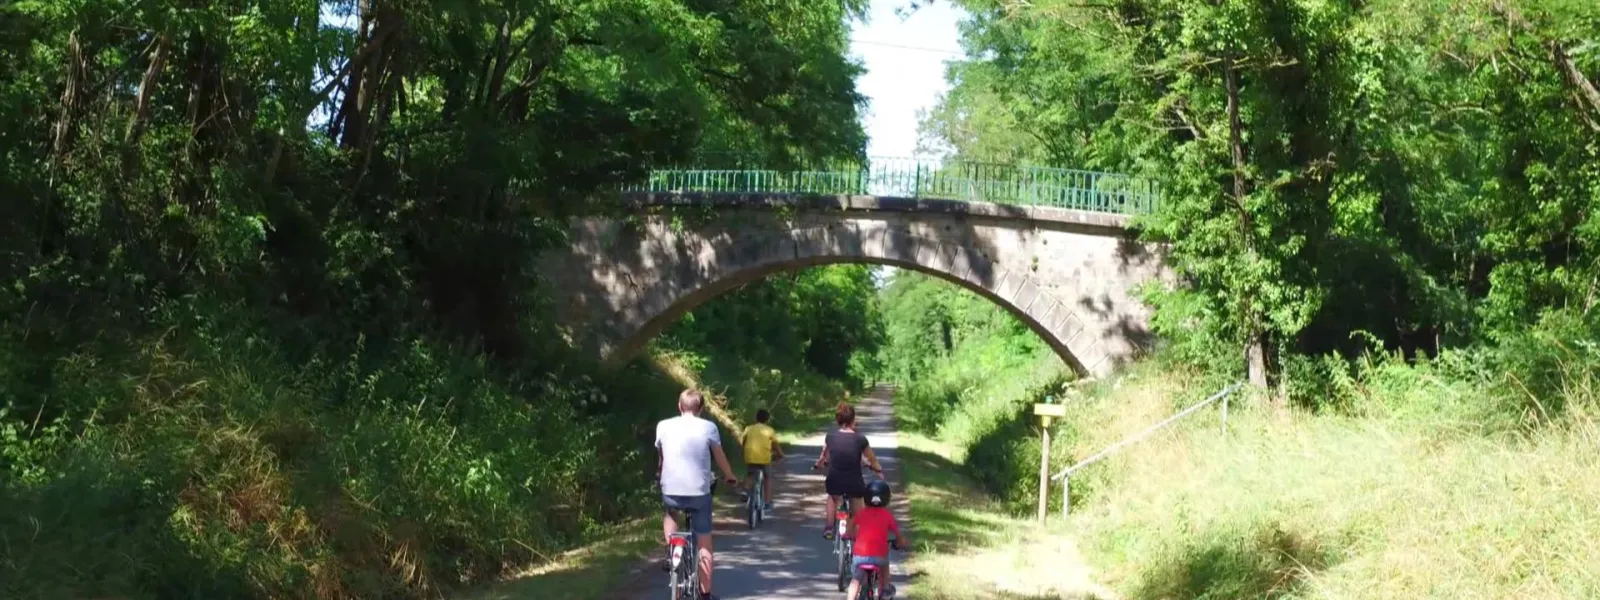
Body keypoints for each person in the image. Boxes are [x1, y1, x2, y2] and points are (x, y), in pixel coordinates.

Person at [657, 389, 740, 600]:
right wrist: (729, 475)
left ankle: (671, 549)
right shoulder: (708, 427)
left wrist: (661, 476)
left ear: (679, 405)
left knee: (671, 512)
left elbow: (662, 457)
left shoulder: (663, 425)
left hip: (671, 489)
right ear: (701, 408)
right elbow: (719, 457)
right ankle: (705, 594)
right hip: (698, 493)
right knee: (705, 544)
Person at [812, 401, 883, 539]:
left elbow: (823, 457)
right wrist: (878, 469)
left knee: (832, 497)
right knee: (858, 507)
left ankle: (829, 527)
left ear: (838, 420)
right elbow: (872, 459)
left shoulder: (830, 437)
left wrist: (819, 464)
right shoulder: (860, 439)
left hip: (835, 481)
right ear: (853, 420)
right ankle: (855, 535)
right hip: (854, 483)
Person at [845, 479, 906, 599]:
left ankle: (850, 598)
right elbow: (898, 534)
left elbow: (850, 529)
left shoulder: (861, 513)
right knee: (885, 567)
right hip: (879, 556)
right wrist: (901, 543)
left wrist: (851, 535)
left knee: (855, 580)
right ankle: (885, 588)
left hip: (860, 556)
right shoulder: (887, 515)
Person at [739, 408, 784, 514]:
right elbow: (775, 445)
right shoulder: (769, 430)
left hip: (750, 456)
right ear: (767, 420)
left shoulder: (748, 428)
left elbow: (743, 442)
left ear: (756, 418)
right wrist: (780, 455)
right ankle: (767, 502)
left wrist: (744, 452)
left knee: (750, 474)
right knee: (767, 477)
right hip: (764, 459)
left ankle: (745, 491)